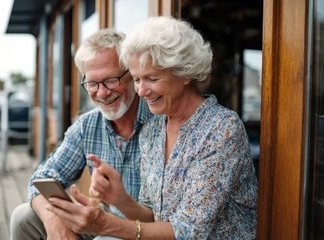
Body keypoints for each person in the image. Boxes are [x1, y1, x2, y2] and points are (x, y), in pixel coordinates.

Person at [45, 16, 258, 239]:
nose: (141, 91)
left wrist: (104, 223)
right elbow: (152, 216)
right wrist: (120, 198)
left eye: (152, 79)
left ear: (184, 73)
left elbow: (189, 230)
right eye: (137, 79)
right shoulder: (154, 129)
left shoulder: (221, 129)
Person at [9, 29, 153, 240]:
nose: (102, 93)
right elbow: (40, 179)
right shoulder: (87, 125)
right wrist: (55, 223)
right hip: (103, 222)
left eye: (111, 80)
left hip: (148, 230)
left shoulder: (161, 120)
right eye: (92, 83)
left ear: (132, 74)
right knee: (23, 217)